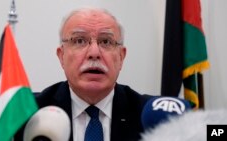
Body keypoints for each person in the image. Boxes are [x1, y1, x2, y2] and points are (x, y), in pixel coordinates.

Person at [14, 7, 153, 141]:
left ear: (121, 57)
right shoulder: (26, 115)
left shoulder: (152, 117)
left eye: (106, 41)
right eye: (79, 41)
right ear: (62, 56)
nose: (94, 53)